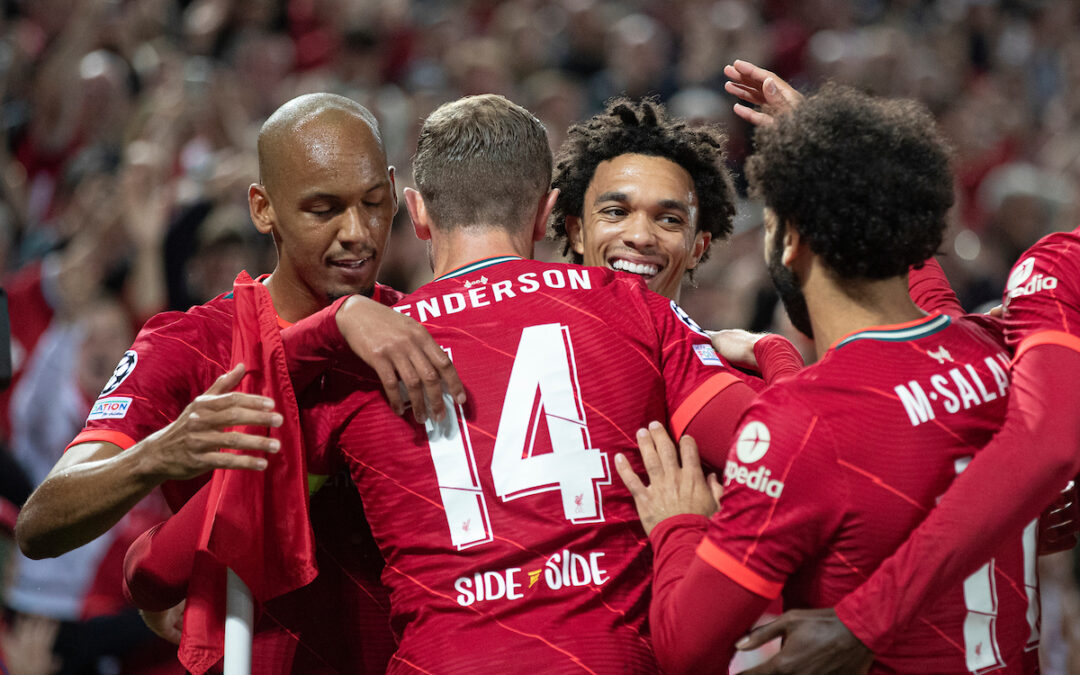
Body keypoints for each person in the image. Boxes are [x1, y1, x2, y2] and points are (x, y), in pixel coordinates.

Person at [168, 93, 764, 673]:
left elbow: (160, 563)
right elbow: (788, 446)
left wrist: (325, 328)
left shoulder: (362, 358)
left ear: (417, 213)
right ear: (546, 213)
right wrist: (775, 352)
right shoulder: (639, 313)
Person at [15, 93, 465, 673]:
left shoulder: (427, 330)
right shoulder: (189, 344)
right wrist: (160, 452)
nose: (357, 232)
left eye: (374, 203)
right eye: (323, 209)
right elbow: (42, 522)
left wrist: (153, 568)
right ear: (263, 208)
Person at [617, 85, 1037, 674]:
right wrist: (839, 154)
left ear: (792, 240)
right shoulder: (990, 348)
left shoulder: (802, 425)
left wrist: (678, 525)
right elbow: (922, 282)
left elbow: (685, 648)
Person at [716, 60, 1080, 675]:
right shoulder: (1034, 296)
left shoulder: (1053, 272)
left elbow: (1046, 448)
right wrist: (833, 158)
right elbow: (923, 310)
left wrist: (866, 618)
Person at [549, 96, 803, 393]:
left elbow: (808, 435)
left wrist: (774, 353)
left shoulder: (742, 382)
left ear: (698, 247)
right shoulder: (517, 354)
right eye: (617, 212)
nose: (641, 236)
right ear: (576, 231)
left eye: (669, 219)